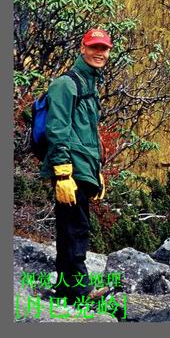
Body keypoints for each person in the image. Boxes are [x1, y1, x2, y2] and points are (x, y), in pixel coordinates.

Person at [40, 29, 113, 305]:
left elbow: (88, 134)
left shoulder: (88, 84)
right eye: (94, 47)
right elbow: (57, 129)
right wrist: (62, 173)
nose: (99, 53)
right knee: (76, 228)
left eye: (104, 48)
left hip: (83, 168)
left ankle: (64, 288)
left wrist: (96, 172)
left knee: (69, 226)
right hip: (70, 168)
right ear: (83, 48)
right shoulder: (66, 84)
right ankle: (81, 291)